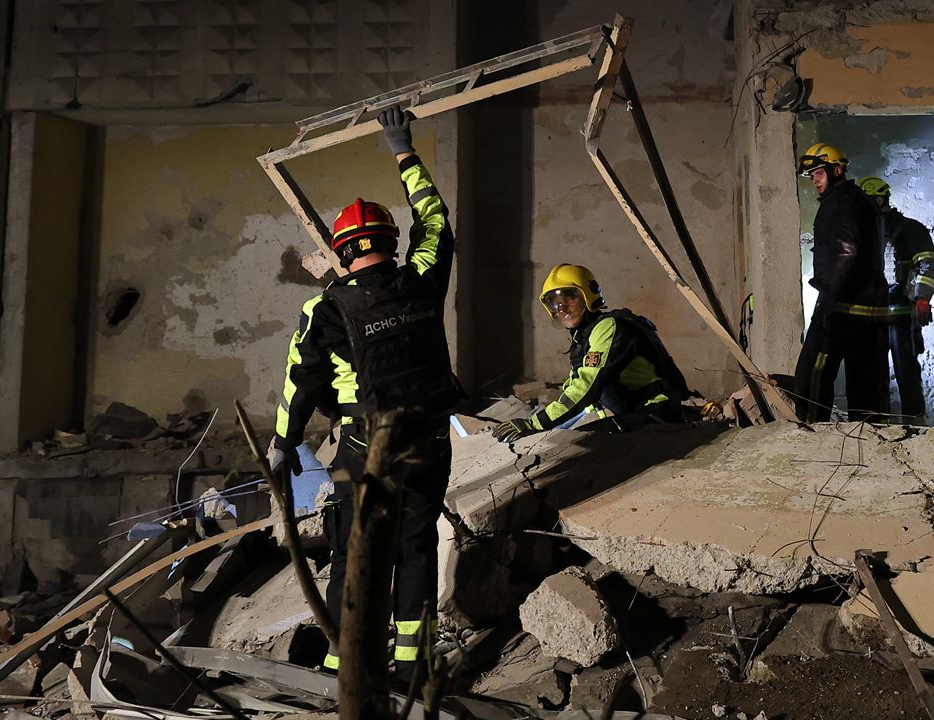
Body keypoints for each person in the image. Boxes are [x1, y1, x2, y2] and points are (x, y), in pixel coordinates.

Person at [269, 106, 462, 683]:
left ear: (342, 250)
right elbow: (436, 218)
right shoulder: (425, 277)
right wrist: (402, 149)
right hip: (428, 439)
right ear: (390, 240)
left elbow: (298, 385)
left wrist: (283, 444)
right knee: (417, 546)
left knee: (355, 550)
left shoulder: (324, 309)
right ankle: (414, 666)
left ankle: (345, 663)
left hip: (362, 447)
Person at [492, 264, 690, 442]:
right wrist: (540, 426)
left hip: (656, 410)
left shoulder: (609, 328)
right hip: (632, 406)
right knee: (570, 435)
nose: (562, 308)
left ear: (589, 295)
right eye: (554, 302)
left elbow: (587, 386)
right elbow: (573, 386)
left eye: (569, 297)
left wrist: (535, 424)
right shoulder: (584, 336)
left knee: (581, 443)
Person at [791, 143, 890, 423]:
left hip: (844, 306)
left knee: (812, 374)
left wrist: (829, 301)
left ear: (837, 170)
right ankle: (870, 439)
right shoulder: (862, 201)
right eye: (812, 176)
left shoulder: (838, 202)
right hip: (871, 308)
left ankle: (812, 433)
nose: (815, 181)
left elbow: (847, 251)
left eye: (819, 173)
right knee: (866, 381)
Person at [858, 176, 934, 425]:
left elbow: (928, 264)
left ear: (880, 200)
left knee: (906, 371)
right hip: (871, 316)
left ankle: (916, 426)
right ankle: (878, 429)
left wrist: (922, 299)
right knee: (873, 376)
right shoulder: (864, 235)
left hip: (902, 316)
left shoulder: (909, 229)